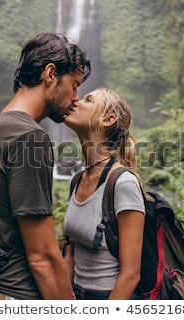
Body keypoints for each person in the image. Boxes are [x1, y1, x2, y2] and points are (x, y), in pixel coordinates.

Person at [0, 32, 91, 300]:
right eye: (74, 84)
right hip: (15, 296)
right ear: (50, 74)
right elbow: (42, 256)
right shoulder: (29, 137)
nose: (76, 97)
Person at [63, 87, 146, 299]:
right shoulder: (77, 181)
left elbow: (131, 274)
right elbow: (71, 254)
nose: (76, 101)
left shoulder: (123, 183)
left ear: (108, 119)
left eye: (88, 100)